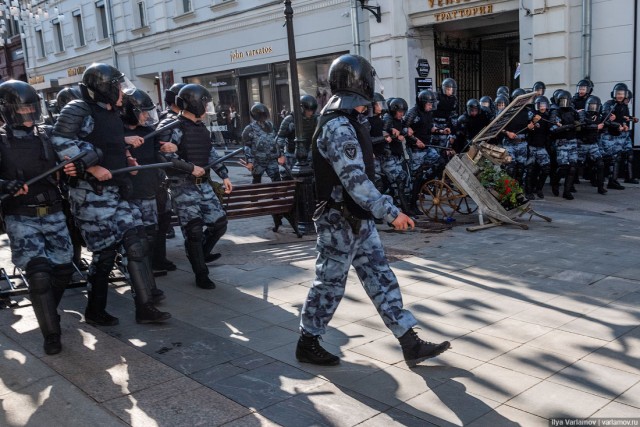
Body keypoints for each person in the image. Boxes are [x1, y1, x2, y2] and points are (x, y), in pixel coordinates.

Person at [296, 54, 451, 367]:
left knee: (381, 278)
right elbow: (355, 180)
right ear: (358, 83)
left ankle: (410, 342)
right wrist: (392, 212)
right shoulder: (338, 126)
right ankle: (307, 341)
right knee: (329, 285)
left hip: (359, 219)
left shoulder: (350, 119)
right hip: (338, 223)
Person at [51, 63, 171, 326]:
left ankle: (145, 308)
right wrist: (92, 167)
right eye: (117, 85)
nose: (122, 91)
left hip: (119, 190)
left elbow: (112, 143)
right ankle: (95, 310)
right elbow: (58, 141)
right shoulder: (78, 109)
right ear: (104, 88)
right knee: (104, 255)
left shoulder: (112, 113)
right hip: (92, 195)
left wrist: (128, 159)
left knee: (136, 243)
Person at [0, 80, 74, 354]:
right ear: (8, 110)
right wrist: (6, 185)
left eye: (32, 107)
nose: (28, 113)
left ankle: (46, 309)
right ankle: (51, 333)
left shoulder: (48, 134)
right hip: (22, 216)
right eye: (22, 109)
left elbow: (81, 150)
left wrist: (73, 166)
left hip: (54, 211)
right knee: (39, 275)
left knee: (64, 269)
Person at [158, 83, 232, 289]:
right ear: (194, 103)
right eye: (205, 102)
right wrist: (190, 168)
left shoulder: (200, 127)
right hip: (183, 186)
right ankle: (201, 273)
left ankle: (200, 253)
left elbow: (210, 153)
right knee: (194, 231)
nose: (207, 106)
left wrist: (224, 174)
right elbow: (164, 155)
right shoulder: (172, 125)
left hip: (203, 184)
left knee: (219, 223)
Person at [121, 89, 176, 301]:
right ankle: (141, 288)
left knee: (150, 238)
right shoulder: (117, 131)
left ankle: (149, 284)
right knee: (136, 244)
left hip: (148, 193)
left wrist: (168, 148)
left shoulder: (149, 132)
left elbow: (156, 155)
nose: (145, 116)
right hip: (127, 196)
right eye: (142, 112)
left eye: (147, 112)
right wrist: (125, 145)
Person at [403, 89, 441, 214]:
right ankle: (412, 204)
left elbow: (431, 127)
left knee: (440, 161)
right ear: (422, 102)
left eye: (432, 104)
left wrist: (440, 131)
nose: (431, 106)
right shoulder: (413, 113)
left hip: (427, 146)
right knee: (415, 177)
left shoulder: (429, 113)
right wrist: (415, 140)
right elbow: (404, 128)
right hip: (415, 149)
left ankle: (425, 183)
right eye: (429, 104)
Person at [276, 95, 319, 179]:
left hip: (308, 154)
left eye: (312, 111)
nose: (310, 113)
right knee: (292, 179)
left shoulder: (315, 119)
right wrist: (280, 155)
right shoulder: (290, 119)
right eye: (308, 110)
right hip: (292, 155)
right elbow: (280, 138)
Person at [382, 97, 412, 214]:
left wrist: (405, 131)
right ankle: (404, 210)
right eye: (399, 112)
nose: (401, 114)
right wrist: (391, 132)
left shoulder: (398, 120)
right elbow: (383, 132)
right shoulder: (388, 119)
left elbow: (402, 128)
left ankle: (402, 207)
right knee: (397, 181)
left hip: (396, 155)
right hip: (388, 155)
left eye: (403, 112)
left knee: (401, 180)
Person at [550, 89, 581, 199]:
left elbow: (580, 123)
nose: (564, 102)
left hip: (572, 141)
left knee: (573, 167)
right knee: (563, 167)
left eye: (566, 100)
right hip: (561, 142)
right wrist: (567, 127)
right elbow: (553, 128)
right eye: (562, 100)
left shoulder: (573, 111)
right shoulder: (555, 111)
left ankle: (567, 191)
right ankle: (555, 182)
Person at [242, 103, 284, 183]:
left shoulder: (271, 126)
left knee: (277, 181)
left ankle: (277, 195)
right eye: (261, 115)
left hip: (272, 159)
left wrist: (281, 154)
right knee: (256, 182)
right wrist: (249, 161)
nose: (263, 117)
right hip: (258, 161)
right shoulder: (250, 129)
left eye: (264, 114)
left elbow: (276, 141)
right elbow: (247, 146)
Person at [600, 83, 630, 190]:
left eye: (622, 93)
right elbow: (606, 119)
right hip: (608, 136)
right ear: (614, 94)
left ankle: (613, 181)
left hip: (618, 136)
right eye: (618, 93)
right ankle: (599, 180)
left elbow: (624, 119)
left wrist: (625, 125)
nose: (620, 95)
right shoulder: (609, 104)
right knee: (606, 159)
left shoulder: (624, 106)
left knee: (616, 158)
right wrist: (617, 125)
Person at [524, 96, 552, 199]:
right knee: (530, 170)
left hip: (541, 147)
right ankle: (528, 191)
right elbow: (526, 128)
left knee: (546, 169)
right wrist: (532, 123)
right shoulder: (532, 115)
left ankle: (539, 188)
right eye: (540, 105)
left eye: (544, 105)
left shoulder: (548, 117)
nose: (542, 107)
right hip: (531, 146)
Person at [580, 95, 607, 194]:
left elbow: (603, 127)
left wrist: (609, 120)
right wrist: (596, 126)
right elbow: (583, 125)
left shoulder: (599, 116)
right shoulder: (582, 113)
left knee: (600, 164)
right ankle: (568, 187)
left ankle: (600, 187)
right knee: (574, 166)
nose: (593, 108)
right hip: (581, 144)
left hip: (593, 144)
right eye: (591, 106)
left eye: (595, 106)